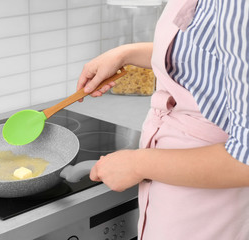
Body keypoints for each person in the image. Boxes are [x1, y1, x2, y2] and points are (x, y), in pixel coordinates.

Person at [76, 0, 249, 239]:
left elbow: (246, 160)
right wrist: (126, 53)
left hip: (205, 198)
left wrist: (138, 164)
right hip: (174, 181)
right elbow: (202, 59)